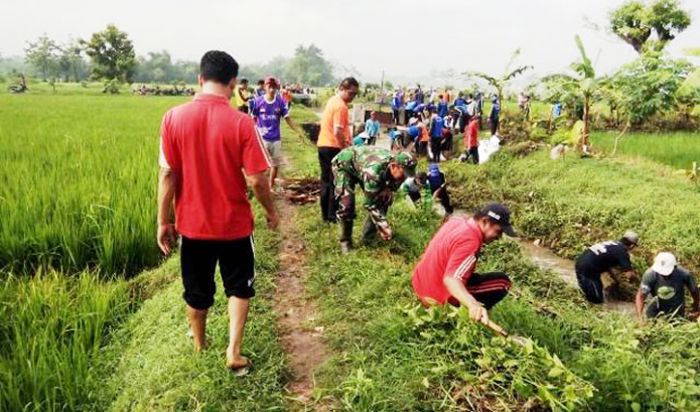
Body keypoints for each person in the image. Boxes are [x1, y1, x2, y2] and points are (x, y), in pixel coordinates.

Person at [157, 50, 279, 372]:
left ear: (200, 79)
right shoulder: (242, 122)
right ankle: (233, 352)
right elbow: (257, 179)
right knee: (239, 287)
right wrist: (271, 212)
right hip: (235, 226)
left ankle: (199, 344)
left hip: (192, 227)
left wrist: (163, 221)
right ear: (233, 83)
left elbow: (168, 174)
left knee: (196, 291)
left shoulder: (172, 118)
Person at [412, 203, 516, 324]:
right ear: (485, 221)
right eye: (498, 231)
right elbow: (451, 279)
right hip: (436, 299)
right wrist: (473, 305)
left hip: (420, 285)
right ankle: (471, 315)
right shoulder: (471, 240)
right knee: (502, 282)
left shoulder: (455, 222)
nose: (499, 237)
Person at [332, 146, 417, 253]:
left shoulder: (396, 168)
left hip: (362, 164)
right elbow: (370, 205)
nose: (404, 178)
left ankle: (368, 238)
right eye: (404, 173)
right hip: (345, 165)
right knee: (347, 204)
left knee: (384, 198)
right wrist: (383, 226)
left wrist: (388, 189)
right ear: (394, 166)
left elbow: (393, 183)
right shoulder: (373, 172)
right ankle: (346, 242)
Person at [251, 76, 306, 189]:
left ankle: (270, 187)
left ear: (277, 88)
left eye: (274, 87)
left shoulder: (280, 102)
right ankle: (260, 186)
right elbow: (252, 119)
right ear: (265, 87)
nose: (272, 89)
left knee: (275, 165)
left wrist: (298, 132)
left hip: (276, 139)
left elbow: (287, 118)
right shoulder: (257, 102)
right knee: (262, 166)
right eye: (269, 86)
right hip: (262, 139)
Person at [317, 77, 359, 223]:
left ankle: (326, 215)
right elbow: (337, 131)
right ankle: (330, 216)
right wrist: (344, 148)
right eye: (350, 93)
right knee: (334, 182)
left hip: (323, 144)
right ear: (342, 89)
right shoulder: (341, 106)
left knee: (326, 181)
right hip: (333, 147)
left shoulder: (332, 100)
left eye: (355, 94)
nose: (352, 97)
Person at [575, 231, 639, 304]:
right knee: (596, 300)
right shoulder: (622, 252)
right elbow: (629, 275)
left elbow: (608, 267)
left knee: (590, 293)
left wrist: (616, 281)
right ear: (632, 246)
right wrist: (636, 284)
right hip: (588, 269)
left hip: (580, 262)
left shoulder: (612, 244)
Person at [636, 252, 700, 322]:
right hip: (654, 307)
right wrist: (640, 317)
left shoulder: (685, 274)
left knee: (676, 328)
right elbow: (641, 296)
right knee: (652, 327)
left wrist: (696, 308)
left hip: (676, 308)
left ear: (675, 267)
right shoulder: (650, 274)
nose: (664, 275)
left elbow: (695, 292)